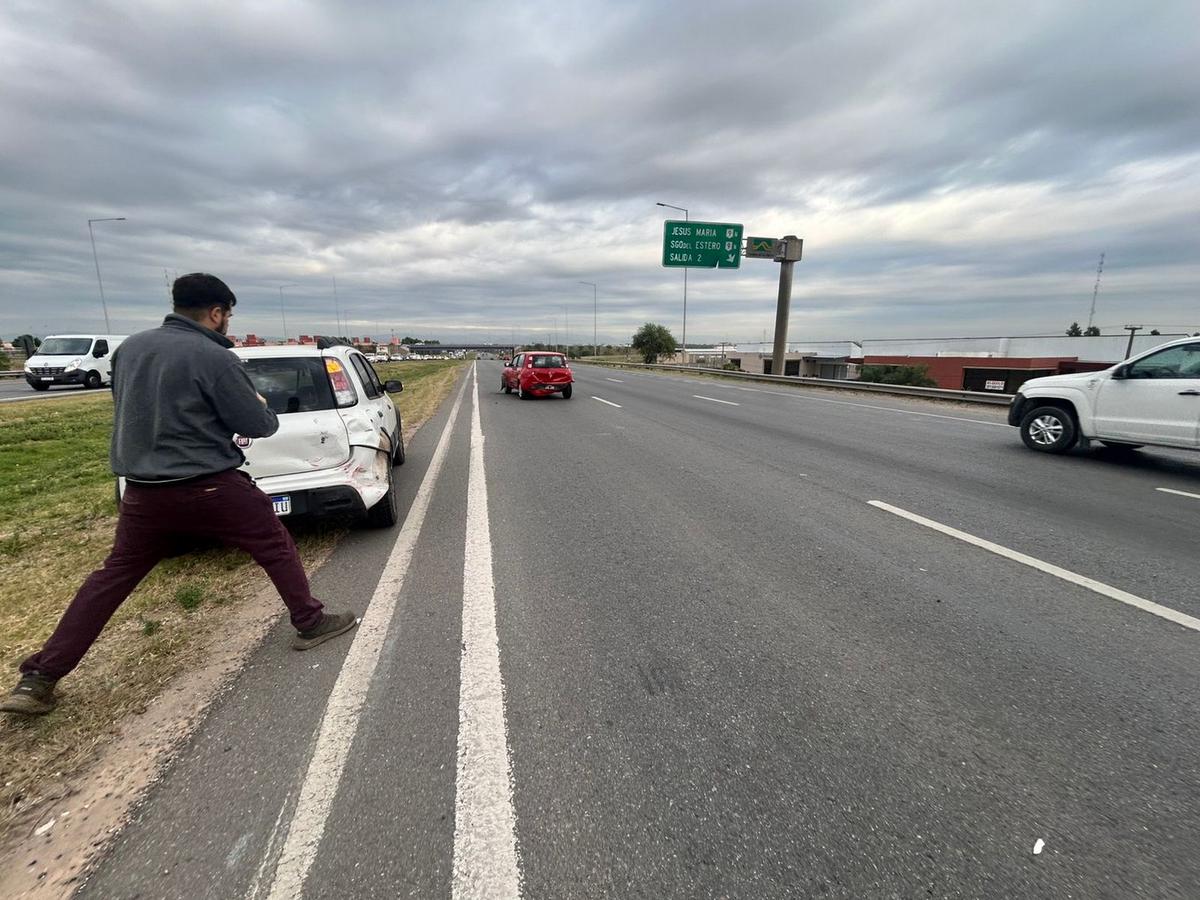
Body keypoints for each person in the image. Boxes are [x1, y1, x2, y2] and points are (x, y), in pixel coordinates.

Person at [2, 274, 357, 716]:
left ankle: (39, 678)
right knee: (274, 544)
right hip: (209, 483)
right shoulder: (214, 356)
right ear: (216, 312)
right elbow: (257, 425)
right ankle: (309, 621)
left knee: (111, 578)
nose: (227, 323)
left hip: (144, 493)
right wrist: (262, 407)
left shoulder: (131, 349)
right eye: (227, 315)